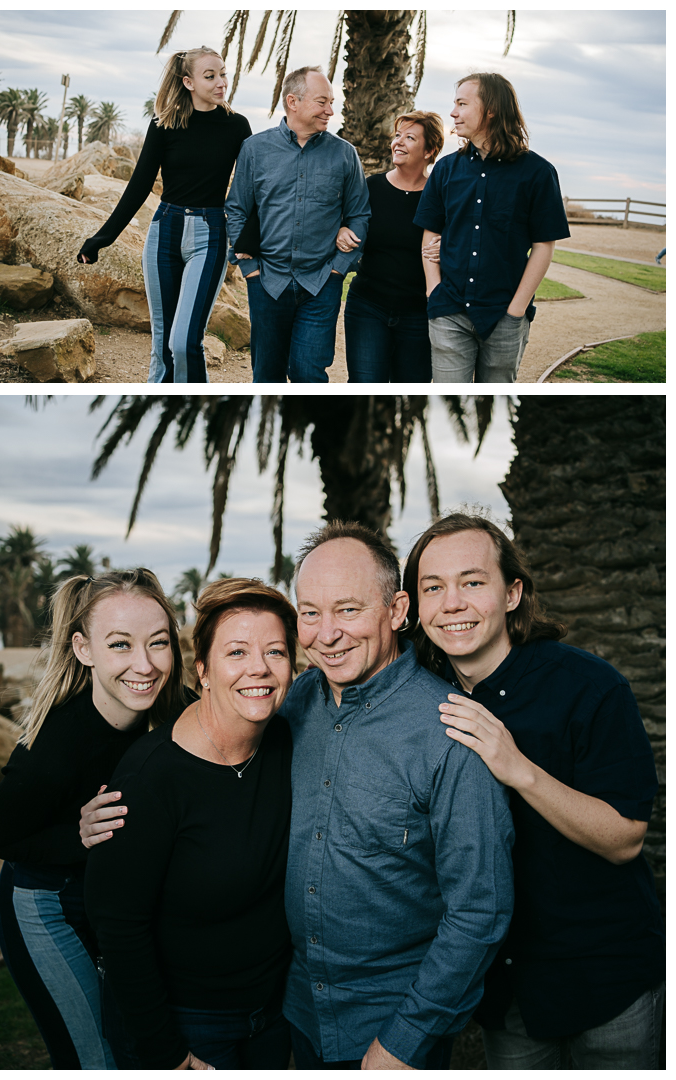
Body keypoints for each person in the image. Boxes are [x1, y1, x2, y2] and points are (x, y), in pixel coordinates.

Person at [402, 513, 666, 1069]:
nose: (452, 603)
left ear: (513, 592)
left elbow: (625, 838)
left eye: (472, 582)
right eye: (433, 587)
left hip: (605, 982)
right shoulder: (422, 701)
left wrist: (516, 766)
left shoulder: (590, 688)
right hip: (508, 995)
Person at [278, 521, 514, 1069]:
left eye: (348, 610)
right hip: (298, 1015)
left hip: (391, 1030)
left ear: (397, 611)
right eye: (309, 612)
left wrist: (404, 1040)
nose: (326, 633)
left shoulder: (450, 734)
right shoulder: (293, 706)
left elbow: (480, 910)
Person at [84, 579, 297, 1070]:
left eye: (276, 651)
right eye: (237, 652)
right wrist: (167, 1053)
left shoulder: (287, 739)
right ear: (202, 669)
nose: (259, 668)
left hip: (271, 1014)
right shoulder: (150, 781)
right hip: (185, 1025)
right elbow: (118, 928)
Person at [0, 569, 187, 1070]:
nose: (144, 664)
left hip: (110, 903)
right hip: (46, 906)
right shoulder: (58, 741)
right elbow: (1, 835)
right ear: (83, 649)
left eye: (158, 643)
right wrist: (78, 835)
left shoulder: (180, 714)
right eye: (120, 645)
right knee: (93, 1061)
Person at [77, 48, 252, 384]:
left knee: (185, 342)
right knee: (163, 344)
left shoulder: (237, 126)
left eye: (223, 74)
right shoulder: (164, 124)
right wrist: (102, 238)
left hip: (211, 233)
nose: (221, 83)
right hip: (164, 231)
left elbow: (254, 186)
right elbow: (139, 185)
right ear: (188, 81)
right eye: (210, 76)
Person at [413, 73, 571, 382]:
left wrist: (516, 311)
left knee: (494, 405)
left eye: (462, 103)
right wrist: (434, 292)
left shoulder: (538, 173)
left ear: (491, 110)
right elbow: (430, 232)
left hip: (505, 315)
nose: (453, 113)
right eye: (453, 104)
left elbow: (544, 245)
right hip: (449, 310)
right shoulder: (446, 169)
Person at [225, 66, 370, 383]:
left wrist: (339, 268)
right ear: (293, 101)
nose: (330, 110)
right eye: (322, 102)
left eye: (331, 102)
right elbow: (236, 208)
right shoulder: (254, 149)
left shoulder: (346, 155)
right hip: (267, 283)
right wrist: (249, 269)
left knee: (309, 374)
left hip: (321, 283)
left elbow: (359, 214)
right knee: (266, 376)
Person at [343, 111, 444, 383]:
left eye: (409, 138)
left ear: (430, 150)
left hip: (418, 314)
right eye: (397, 135)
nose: (397, 142)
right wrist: (343, 229)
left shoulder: (439, 196)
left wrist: (449, 243)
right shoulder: (372, 187)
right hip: (368, 307)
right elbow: (348, 221)